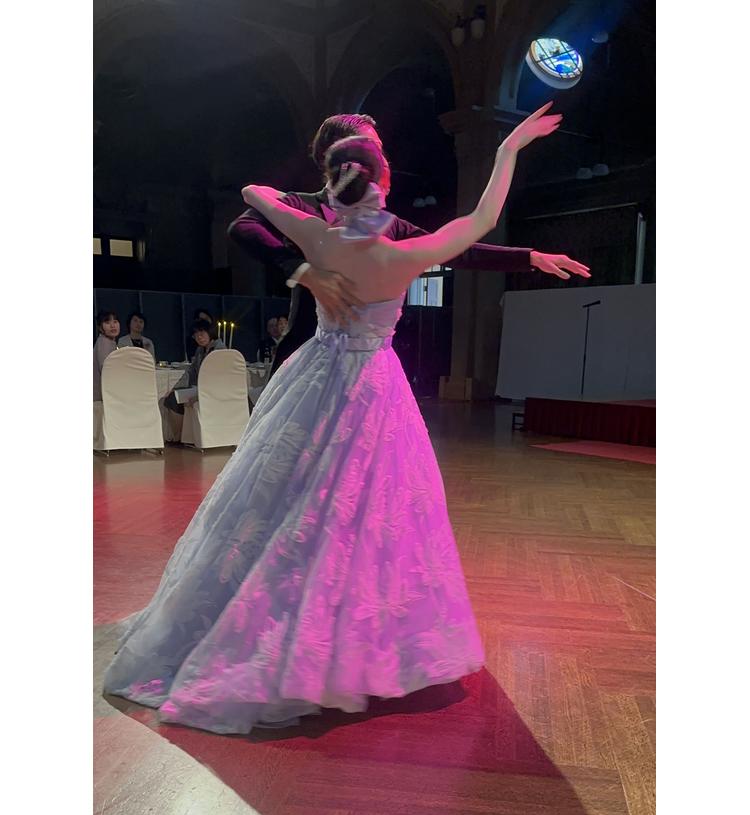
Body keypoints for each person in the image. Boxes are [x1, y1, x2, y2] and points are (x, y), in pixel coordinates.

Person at [104, 103, 562, 735]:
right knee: (346, 505)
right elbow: (476, 224)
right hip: (370, 384)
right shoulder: (395, 247)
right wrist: (509, 149)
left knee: (304, 501)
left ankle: (286, 619)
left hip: (315, 375)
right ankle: (339, 635)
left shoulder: (319, 231)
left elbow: (252, 194)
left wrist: (523, 254)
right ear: (375, 178)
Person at [228, 112, 589, 376]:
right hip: (304, 352)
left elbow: (461, 253)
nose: (381, 157)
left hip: (363, 367)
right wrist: (304, 272)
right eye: (372, 148)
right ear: (337, 156)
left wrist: (528, 257)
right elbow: (243, 227)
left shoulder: (354, 229)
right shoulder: (304, 206)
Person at [163, 318, 226, 429]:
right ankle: (181, 434)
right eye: (196, 335)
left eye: (201, 333)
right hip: (199, 388)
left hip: (213, 391)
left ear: (209, 332)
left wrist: (198, 396)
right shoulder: (200, 350)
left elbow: (217, 380)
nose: (199, 337)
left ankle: (182, 434)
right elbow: (191, 372)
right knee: (171, 398)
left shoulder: (219, 350)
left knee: (175, 400)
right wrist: (175, 388)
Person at [93, 310, 120, 401]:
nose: (112, 326)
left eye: (115, 322)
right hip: (100, 398)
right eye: (107, 322)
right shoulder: (104, 342)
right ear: (100, 328)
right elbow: (107, 369)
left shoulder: (109, 341)